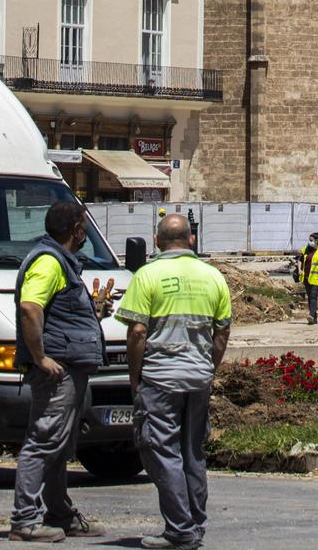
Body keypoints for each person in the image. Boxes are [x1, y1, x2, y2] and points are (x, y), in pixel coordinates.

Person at [118, 212, 232, 550]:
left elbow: (137, 330)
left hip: (160, 379)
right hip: (198, 379)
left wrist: (135, 377)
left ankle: (180, 530)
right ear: (191, 240)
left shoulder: (147, 275)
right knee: (192, 453)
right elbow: (222, 332)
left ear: (156, 241)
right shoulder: (213, 276)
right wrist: (207, 368)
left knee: (162, 452)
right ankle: (195, 524)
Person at [9, 199, 110, 543]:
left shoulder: (63, 263)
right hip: (57, 370)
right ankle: (25, 520)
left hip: (68, 366)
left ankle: (60, 513)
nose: (85, 232)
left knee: (58, 443)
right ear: (76, 230)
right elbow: (29, 307)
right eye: (83, 225)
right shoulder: (50, 262)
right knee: (43, 440)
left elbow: (56, 313)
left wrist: (92, 313)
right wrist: (40, 358)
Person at [299, 230, 318, 326]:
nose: (309, 242)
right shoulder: (306, 249)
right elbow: (300, 260)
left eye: (311, 240)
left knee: (313, 296)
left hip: (317, 277)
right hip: (307, 277)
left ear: (316, 240)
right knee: (310, 297)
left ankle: (311, 315)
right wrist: (299, 269)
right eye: (309, 240)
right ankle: (314, 318)